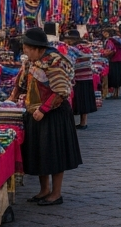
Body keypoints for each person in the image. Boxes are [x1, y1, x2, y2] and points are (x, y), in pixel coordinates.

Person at [11, 27, 81, 205]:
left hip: (53, 114)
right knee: (40, 153)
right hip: (34, 112)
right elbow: (22, 81)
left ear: (36, 48)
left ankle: (56, 193)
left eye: (26, 48)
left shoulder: (54, 62)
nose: (24, 51)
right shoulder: (32, 61)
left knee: (54, 154)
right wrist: (12, 97)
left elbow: (61, 91)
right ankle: (44, 190)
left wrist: (44, 109)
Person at [66, 33, 98, 129]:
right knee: (84, 101)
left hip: (78, 77)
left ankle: (74, 123)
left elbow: (70, 62)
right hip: (87, 76)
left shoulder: (73, 49)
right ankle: (83, 122)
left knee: (77, 100)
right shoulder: (86, 47)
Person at [103, 27, 121, 99]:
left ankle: (115, 93)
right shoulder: (119, 39)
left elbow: (111, 50)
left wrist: (106, 54)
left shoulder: (110, 40)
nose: (104, 34)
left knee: (114, 76)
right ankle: (117, 92)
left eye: (105, 33)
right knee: (119, 76)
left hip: (114, 59)